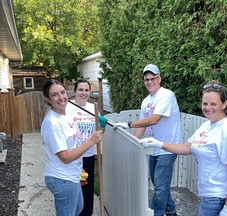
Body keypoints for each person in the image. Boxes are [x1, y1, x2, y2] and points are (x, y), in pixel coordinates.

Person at [141, 80, 227, 216]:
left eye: (213, 104)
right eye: (205, 103)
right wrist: (159, 144)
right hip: (210, 196)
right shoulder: (207, 125)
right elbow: (187, 147)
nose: (208, 107)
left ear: (224, 104)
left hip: (221, 199)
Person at [113, 64, 182, 216]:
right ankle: (171, 211)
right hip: (153, 148)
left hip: (168, 147)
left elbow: (154, 120)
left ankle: (156, 213)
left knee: (159, 187)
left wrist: (128, 124)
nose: (150, 82)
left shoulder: (166, 95)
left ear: (159, 79)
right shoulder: (146, 101)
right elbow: (142, 126)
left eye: (153, 79)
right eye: (147, 79)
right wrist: (130, 143)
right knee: (159, 184)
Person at [41, 79, 103, 216]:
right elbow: (65, 157)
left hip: (72, 175)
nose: (61, 97)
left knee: (79, 208)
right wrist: (91, 141)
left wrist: (78, 167)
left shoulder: (66, 115)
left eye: (62, 92)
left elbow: (73, 144)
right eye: (54, 95)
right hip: (62, 178)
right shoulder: (53, 123)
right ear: (48, 99)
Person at [66, 79, 107, 216]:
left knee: (87, 190)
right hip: (73, 156)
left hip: (88, 156)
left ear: (90, 92)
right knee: (74, 191)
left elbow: (99, 132)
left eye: (86, 90)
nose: (84, 93)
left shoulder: (93, 108)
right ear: (75, 91)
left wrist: (102, 125)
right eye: (81, 90)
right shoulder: (68, 108)